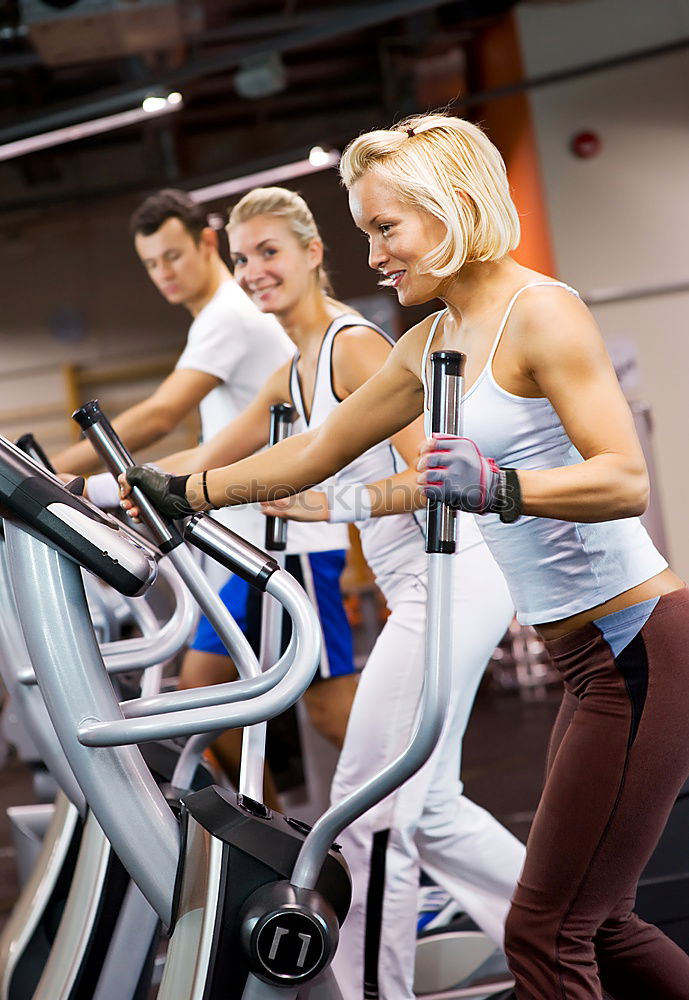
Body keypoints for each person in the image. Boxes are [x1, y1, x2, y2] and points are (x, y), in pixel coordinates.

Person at [120, 114, 689, 1000]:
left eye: (386, 228)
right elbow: (313, 452)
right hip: (582, 660)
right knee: (600, 923)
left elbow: (621, 480)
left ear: (452, 206)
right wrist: (183, 492)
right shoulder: (428, 345)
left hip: (640, 644)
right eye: (365, 233)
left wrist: (499, 487)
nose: (376, 255)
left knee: (545, 933)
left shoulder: (543, 311)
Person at [121, 184, 525, 999]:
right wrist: (94, 485)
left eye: (270, 251)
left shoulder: (352, 346)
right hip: (421, 583)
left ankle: (372, 988)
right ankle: (564, 929)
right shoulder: (296, 366)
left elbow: (434, 476)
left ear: (312, 253)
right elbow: (206, 464)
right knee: (426, 809)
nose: (255, 270)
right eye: (242, 259)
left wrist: (336, 501)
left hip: (448, 574)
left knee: (365, 807)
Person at [53, 188, 355, 808]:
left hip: (290, 537)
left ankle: (398, 823)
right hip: (249, 536)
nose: (164, 274)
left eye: (173, 256)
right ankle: (274, 832)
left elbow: (164, 414)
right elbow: (209, 452)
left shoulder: (242, 320)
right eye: (151, 264)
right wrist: (98, 488)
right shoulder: (276, 353)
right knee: (207, 699)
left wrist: (54, 470)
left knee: (323, 713)